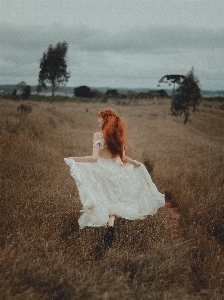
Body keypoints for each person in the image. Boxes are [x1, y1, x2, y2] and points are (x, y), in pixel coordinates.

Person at [64, 108, 165, 249]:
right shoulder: (118, 137)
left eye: (100, 118)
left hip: (101, 173)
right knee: (113, 204)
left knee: (103, 201)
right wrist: (136, 163)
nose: (98, 120)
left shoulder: (98, 135)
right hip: (116, 173)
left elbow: (94, 158)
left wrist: (74, 159)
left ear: (105, 120)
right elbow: (123, 159)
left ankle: (107, 230)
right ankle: (110, 229)